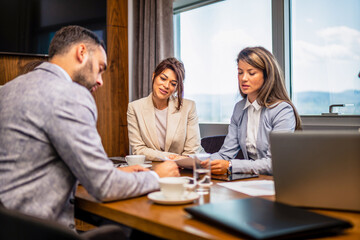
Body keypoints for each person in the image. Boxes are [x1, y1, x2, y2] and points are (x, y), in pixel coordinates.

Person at [0, 25, 179, 231]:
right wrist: (156, 176)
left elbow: (35, 168)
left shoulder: (9, 89)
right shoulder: (71, 94)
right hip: (44, 232)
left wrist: (114, 172)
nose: (100, 80)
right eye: (100, 68)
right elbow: (105, 187)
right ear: (82, 52)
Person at [203, 46, 301, 175]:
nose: (243, 78)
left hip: (280, 181)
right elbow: (225, 154)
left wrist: (231, 166)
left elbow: (274, 163)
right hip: (255, 180)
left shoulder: (282, 110)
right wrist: (198, 162)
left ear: (267, 76)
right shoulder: (239, 108)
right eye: (240, 72)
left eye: (251, 73)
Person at [127, 57, 203, 161]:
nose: (166, 86)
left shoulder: (189, 107)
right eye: (163, 78)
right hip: (154, 168)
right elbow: (138, 149)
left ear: (176, 88)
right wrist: (169, 157)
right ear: (154, 76)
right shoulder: (134, 108)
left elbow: (191, 151)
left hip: (185, 167)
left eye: (173, 84)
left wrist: (177, 162)